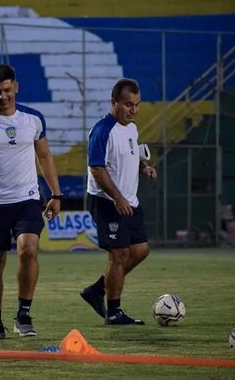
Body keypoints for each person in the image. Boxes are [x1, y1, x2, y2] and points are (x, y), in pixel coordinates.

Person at [0, 63, 62, 339]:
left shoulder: (33, 119)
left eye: (7, 90)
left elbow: (44, 157)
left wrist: (55, 193)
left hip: (27, 199)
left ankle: (24, 314)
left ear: (16, 87)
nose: (3, 96)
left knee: (28, 250)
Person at [80, 78, 157, 325]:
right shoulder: (102, 130)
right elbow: (97, 168)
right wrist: (117, 197)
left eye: (137, 105)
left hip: (129, 200)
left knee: (141, 250)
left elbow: (130, 155)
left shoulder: (131, 128)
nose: (133, 110)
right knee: (120, 254)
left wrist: (144, 167)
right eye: (128, 105)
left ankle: (96, 290)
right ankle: (114, 312)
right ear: (114, 103)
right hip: (106, 201)